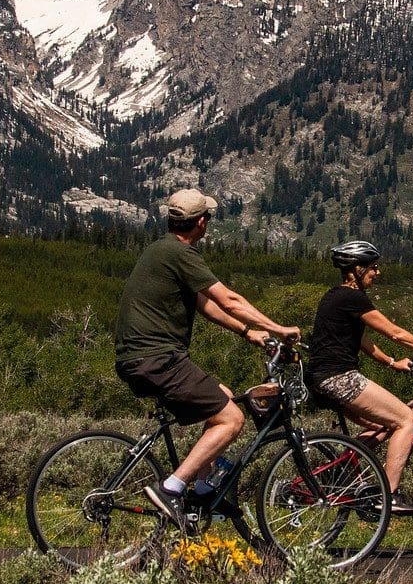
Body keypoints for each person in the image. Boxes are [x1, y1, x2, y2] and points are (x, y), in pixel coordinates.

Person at [114, 187, 301, 521]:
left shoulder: (161, 250)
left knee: (224, 398)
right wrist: (278, 328)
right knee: (233, 419)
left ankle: (200, 491)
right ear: (200, 222)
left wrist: (250, 333)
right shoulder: (182, 254)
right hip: (158, 358)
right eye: (208, 218)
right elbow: (228, 300)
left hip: (140, 357)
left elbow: (207, 306)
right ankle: (171, 488)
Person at [306, 240, 413, 511]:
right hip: (340, 378)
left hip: (321, 379)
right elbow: (394, 332)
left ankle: (337, 473)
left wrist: (392, 363)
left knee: (380, 426)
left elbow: (361, 340)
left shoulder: (334, 296)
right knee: (406, 419)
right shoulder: (353, 297)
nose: (378, 272)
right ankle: (389, 496)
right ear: (357, 269)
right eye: (373, 267)